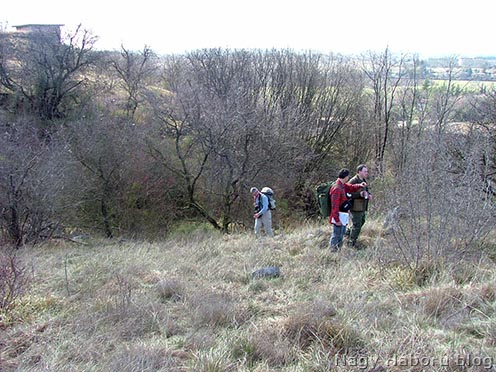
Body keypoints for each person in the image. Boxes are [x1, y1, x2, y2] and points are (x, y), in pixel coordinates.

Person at [328, 169, 366, 252]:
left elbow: (351, 187)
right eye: (348, 176)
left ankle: (338, 251)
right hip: (338, 215)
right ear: (345, 177)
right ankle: (332, 252)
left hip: (343, 214)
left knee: (341, 234)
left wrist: (359, 185)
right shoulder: (337, 188)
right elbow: (334, 205)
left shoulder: (342, 185)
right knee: (336, 235)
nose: (348, 178)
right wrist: (337, 219)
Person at [346, 164, 372, 248]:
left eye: (367, 171)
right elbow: (347, 193)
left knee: (362, 221)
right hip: (355, 206)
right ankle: (351, 243)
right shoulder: (353, 181)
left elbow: (366, 190)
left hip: (362, 206)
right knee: (357, 225)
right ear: (359, 172)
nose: (366, 173)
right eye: (365, 171)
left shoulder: (363, 180)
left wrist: (369, 194)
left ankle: (347, 234)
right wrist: (359, 194)